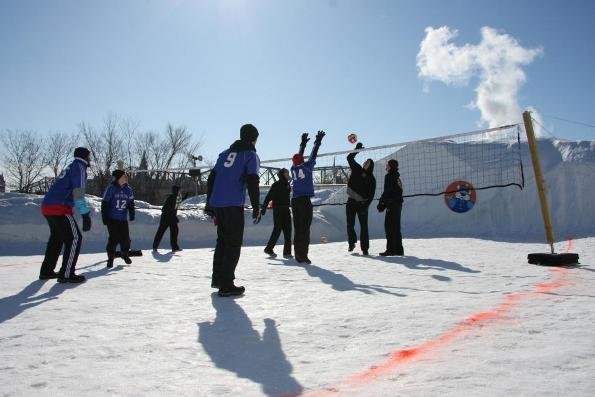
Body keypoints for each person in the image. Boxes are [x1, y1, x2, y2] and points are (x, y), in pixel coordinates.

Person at [205, 124, 261, 297]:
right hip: (233, 204)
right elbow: (252, 181)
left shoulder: (224, 154)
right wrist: (257, 206)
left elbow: (211, 178)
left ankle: (218, 279)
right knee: (233, 244)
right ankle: (227, 284)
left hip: (218, 203)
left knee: (222, 241)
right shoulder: (250, 155)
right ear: (253, 138)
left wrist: (209, 203)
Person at [39, 147, 92, 283]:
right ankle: (67, 274)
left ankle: (46, 271)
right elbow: (78, 192)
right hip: (59, 207)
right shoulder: (80, 167)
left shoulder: (71, 166)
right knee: (74, 238)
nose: (90, 159)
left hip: (47, 206)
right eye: (89, 156)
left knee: (56, 238)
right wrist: (85, 214)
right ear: (85, 157)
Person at [291, 130, 325, 264]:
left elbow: (299, 157)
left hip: (294, 200)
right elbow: (313, 154)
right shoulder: (307, 167)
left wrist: (303, 143)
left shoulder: (293, 168)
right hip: (304, 201)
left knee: (298, 229)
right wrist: (318, 141)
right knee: (305, 229)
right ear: (302, 161)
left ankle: (298, 254)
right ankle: (303, 255)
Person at [345, 142, 376, 255]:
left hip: (362, 204)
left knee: (364, 227)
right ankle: (351, 243)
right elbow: (349, 158)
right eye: (365, 161)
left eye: (368, 162)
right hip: (351, 201)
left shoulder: (371, 179)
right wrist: (356, 150)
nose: (365, 162)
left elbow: (371, 194)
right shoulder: (357, 168)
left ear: (370, 166)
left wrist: (366, 206)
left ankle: (365, 248)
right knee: (350, 224)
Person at [101, 169, 135, 268]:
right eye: (124, 176)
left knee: (126, 240)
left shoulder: (128, 189)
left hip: (123, 219)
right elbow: (104, 204)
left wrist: (132, 213)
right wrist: (104, 217)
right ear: (119, 178)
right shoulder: (111, 188)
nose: (126, 178)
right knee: (113, 239)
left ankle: (124, 254)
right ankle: (110, 258)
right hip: (112, 219)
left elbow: (131, 203)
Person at [261, 168, 292, 258]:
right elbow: (268, 197)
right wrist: (264, 208)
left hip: (286, 209)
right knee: (277, 230)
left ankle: (287, 252)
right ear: (282, 174)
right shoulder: (276, 185)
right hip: (278, 210)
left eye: (288, 173)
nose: (287, 175)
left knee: (288, 230)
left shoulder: (287, 185)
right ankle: (268, 249)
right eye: (286, 173)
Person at [377, 159, 404, 256]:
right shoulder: (397, 176)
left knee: (389, 227)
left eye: (387, 165)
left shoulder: (389, 176)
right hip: (398, 204)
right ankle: (398, 250)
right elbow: (395, 191)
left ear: (391, 166)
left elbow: (387, 192)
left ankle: (391, 250)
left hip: (392, 204)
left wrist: (381, 204)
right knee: (396, 227)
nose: (386, 166)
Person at [152, 185, 181, 252]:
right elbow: (166, 209)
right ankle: (155, 247)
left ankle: (175, 247)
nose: (180, 192)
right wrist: (174, 216)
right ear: (177, 191)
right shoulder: (172, 198)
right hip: (166, 217)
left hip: (171, 217)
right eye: (179, 190)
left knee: (175, 231)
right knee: (161, 231)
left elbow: (175, 207)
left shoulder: (175, 197)